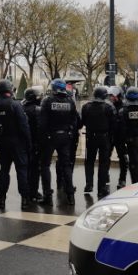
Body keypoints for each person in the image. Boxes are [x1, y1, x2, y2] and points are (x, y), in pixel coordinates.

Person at [0, 79, 32, 209]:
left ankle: (2, 199)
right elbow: (23, 126)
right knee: (21, 170)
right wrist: (28, 143)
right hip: (17, 143)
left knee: (4, 171)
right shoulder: (15, 105)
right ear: (10, 90)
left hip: (2, 143)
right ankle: (25, 199)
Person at [39, 78, 80, 206]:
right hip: (65, 137)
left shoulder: (47, 101)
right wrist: (70, 133)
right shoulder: (70, 101)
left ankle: (47, 196)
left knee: (45, 165)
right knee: (66, 165)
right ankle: (71, 196)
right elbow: (75, 120)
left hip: (51, 137)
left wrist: (43, 137)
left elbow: (42, 123)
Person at [81, 86, 117, 199]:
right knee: (103, 163)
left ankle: (89, 184)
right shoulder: (109, 107)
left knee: (89, 162)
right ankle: (101, 189)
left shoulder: (86, 106)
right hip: (104, 138)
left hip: (90, 137)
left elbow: (82, 122)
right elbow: (113, 124)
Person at [22, 86, 44, 203]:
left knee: (25, 169)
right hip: (35, 143)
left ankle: (25, 192)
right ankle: (33, 192)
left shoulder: (21, 108)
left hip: (23, 143)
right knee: (35, 169)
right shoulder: (37, 110)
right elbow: (41, 127)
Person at [107, 86, 129, 189]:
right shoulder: (108, 106)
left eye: (112, 96)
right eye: (110, 96)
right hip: (110, 136)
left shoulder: (125, 107)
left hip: (121, 137)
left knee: (123, 159)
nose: (111, 97)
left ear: (118, 96)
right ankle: (105, 176)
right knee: (106, 157)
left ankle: (122, 179)